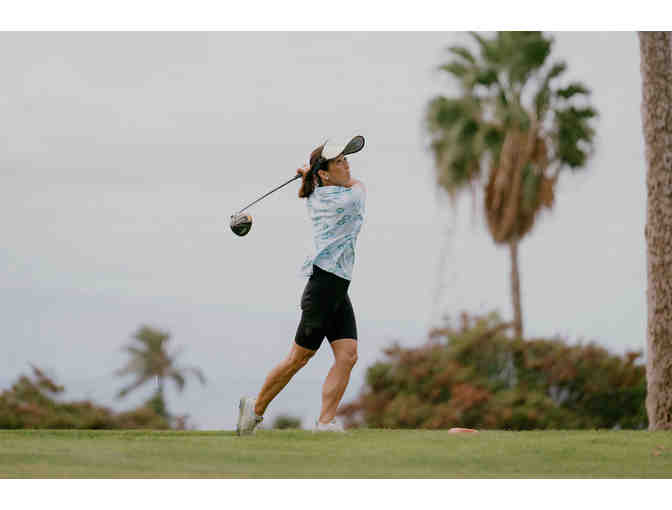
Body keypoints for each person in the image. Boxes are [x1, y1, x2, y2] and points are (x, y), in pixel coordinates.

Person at [236, 138, 366, 435]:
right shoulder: (347, 199)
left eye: (346, 160)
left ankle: (325, 422)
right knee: (299, 358)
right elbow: (358, 186)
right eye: (339, 162)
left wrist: (311, 175)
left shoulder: (318, 192)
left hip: (336, 287)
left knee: (347, 355)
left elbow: (325, 184)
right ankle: (254, 409)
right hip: (323, 288)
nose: (347, 166)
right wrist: (311, 175)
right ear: (325, 173)